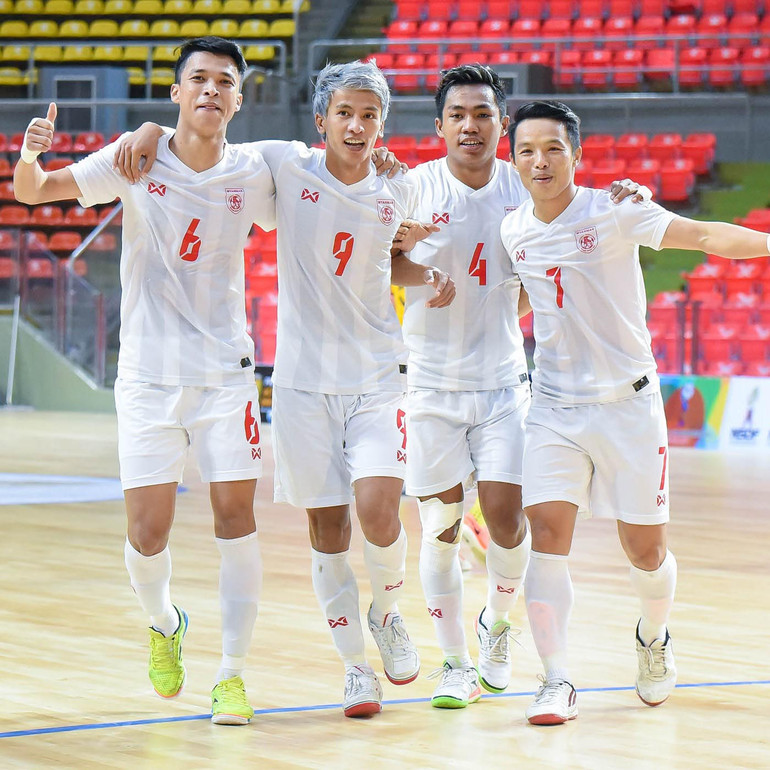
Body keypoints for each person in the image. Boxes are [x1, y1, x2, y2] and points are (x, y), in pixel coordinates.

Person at [113, 59, 455, 718]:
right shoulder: (281, 166)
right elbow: (204, 143)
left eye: (370, 115)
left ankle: (386, 612)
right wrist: (153, 127)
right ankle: (356, 669)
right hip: (300, 385)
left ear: (382, 124)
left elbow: (393, 256)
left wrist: (427, 275)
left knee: (381, 512)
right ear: (321, 119)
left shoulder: (399, 185)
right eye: (345, 113)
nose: (357, 125)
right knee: (328, 529)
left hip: (380, 376)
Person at [14, 36, 277, 726]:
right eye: (199, 78)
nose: (212, 89)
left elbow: (330, 185)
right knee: (147, 533)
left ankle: (233, 675)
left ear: (240, 98)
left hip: (225, 376)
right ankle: (165, 623)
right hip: (147, 379)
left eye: (225, 80)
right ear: (176, 91)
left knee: (236, 519)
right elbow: (33, 192)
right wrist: (31, 150)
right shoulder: (136, 158)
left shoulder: (255, 173)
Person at [501, 99, 770, 725]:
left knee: (645, 551)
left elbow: (703, 235)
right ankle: (557, 680)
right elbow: (517, 302)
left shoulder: (616, 209)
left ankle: (654, 638)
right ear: (514, 161)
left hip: (629, 405)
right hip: (554, 407)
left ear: (577, 153)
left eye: (553, 149)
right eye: (527, 151)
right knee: (547, 539)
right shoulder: (513, 229)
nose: (540, 161)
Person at [399, 65, 645, 709]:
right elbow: (376, 260)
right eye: (458, 115)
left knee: (509, 526)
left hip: (505, 386)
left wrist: (627, 192)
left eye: (483, 114)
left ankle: (497, 626)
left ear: (500, 124)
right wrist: (409, 266)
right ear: (440, 126)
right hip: (427, 386)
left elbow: (572, 237)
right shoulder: (412, 187)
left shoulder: (525, 184)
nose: (470, 125)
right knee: (442, 525)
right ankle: (454, 663)